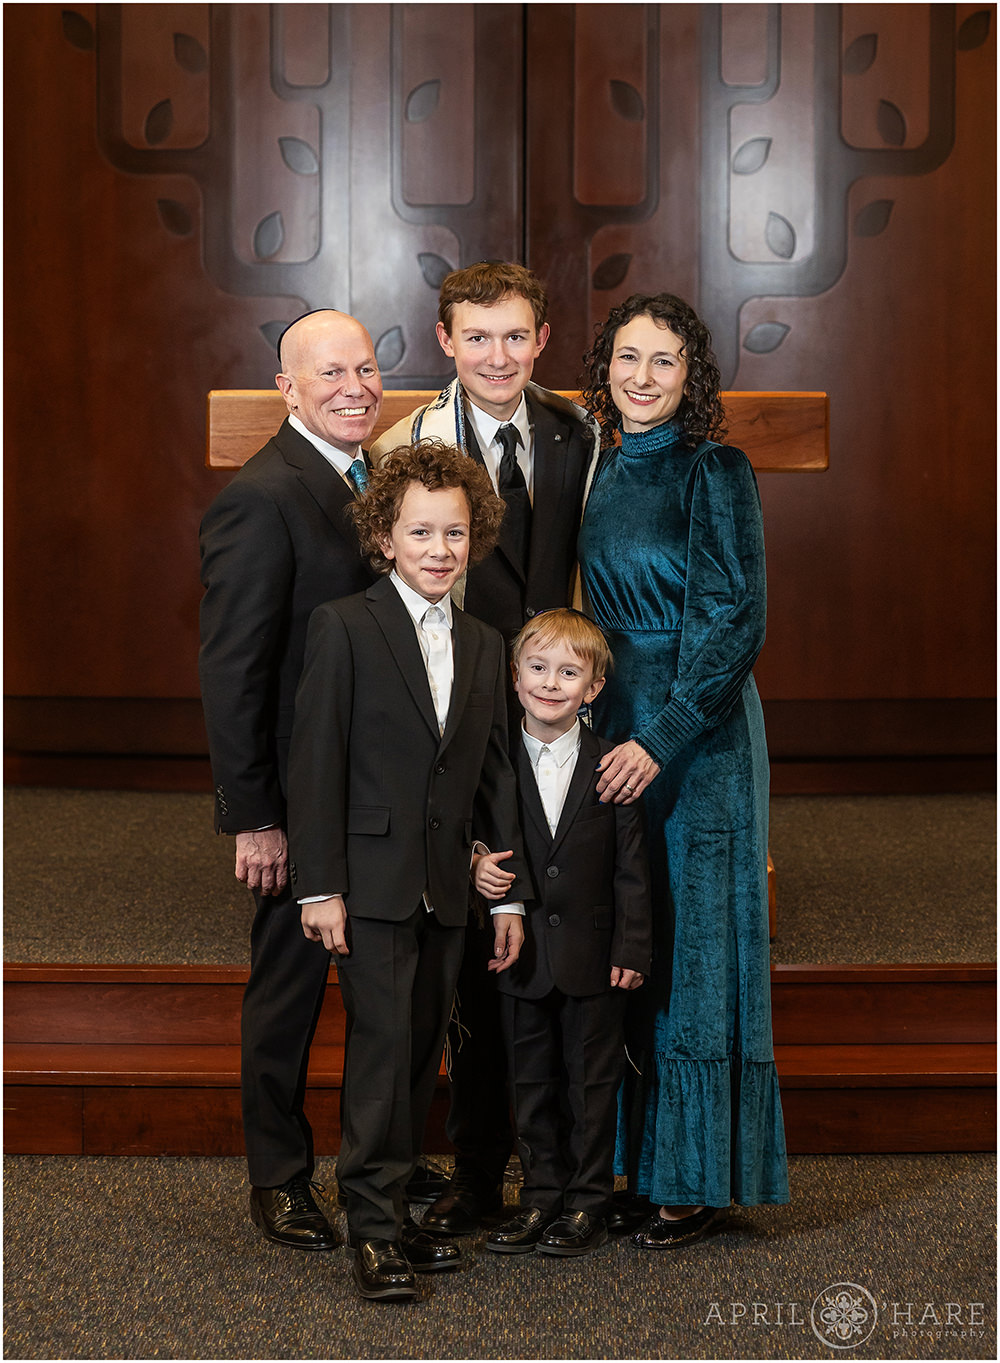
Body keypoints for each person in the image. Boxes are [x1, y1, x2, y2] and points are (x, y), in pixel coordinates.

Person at [199, 309, 442, 1252]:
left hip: (383, 786)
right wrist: (255, 816)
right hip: (300, 800)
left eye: (366, 369)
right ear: (287, 388)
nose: (355, 388)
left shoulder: (376, 478)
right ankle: (279, 1174)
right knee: (289, 990)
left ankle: (381, 1159)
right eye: (330, 372)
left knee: (394, 985)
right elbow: (234, 673)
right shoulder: (261, 497)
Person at [371, 261, 599, 1236]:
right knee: (474, 948)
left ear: (541, 339)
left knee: (561, 930)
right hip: (461, 718)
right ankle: (475, 1169)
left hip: (556, 706)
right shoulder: (405, 445)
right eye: (477, 336)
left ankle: (573, 1173)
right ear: (445, 341)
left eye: (515, 336)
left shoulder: (579, 432)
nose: (497, 355)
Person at [285, 440, 532, 1301]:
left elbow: (493, 773)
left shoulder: (485, 641)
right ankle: (373, 1230)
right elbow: (315, 762)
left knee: (423, 1051)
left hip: (448, 889)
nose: (439, 548)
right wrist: (320, 885)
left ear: (475, 538)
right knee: (382, 1056)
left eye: (454, 533)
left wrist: (506, 892)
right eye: (420, 532)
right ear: (385, 538)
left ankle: (392, 1208)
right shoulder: (344, 627)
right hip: (370, 884)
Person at [576, 292, 790, 1250]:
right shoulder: (600, 464)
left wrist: (661, 736)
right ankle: (639, 1161)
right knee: (637, 940)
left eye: (665, 360)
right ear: (605, 367)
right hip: (615, 724)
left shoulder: (716, 470)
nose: (643, 376)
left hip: (697, 740)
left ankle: (694, 1179)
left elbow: (737, 620)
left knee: (698, 948)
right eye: (628, 356)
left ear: (691, 376)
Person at [476, 610, 652, 1258]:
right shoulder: (492, 761)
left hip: (594, 956)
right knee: (530, 1083)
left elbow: (633, 868)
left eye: (569, 672)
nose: (551, 683)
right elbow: (475, 837)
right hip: (519, 956)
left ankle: (587, 1201)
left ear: (593, 687)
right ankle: (540, 1195)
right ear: (514, 676)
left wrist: (632, 946)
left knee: (591, 1085)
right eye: (538, 667)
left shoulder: (612, 764)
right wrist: (475, 864)